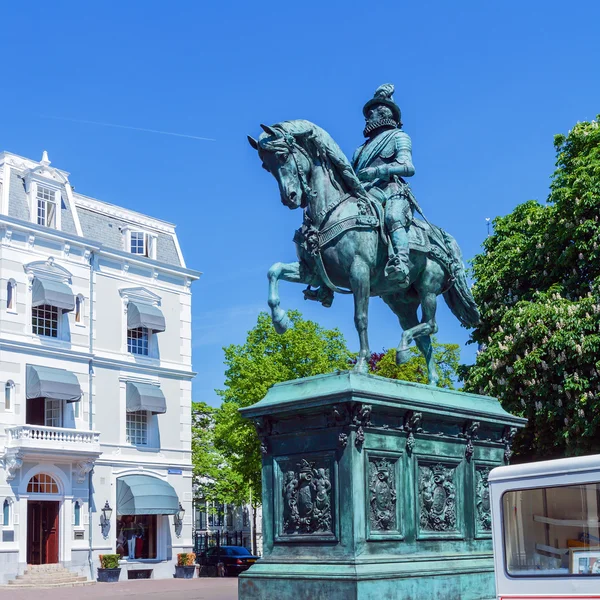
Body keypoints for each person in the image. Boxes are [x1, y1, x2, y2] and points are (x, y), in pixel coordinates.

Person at [352, 83, 416, 286]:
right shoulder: (359, 150)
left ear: (383, 115)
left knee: (393, 216)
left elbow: (408, 167)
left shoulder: (399, 137)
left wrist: (377, 171)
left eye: (371, 113)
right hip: (365, 194)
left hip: (393, 192)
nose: (366, 117)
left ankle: (402, 262)